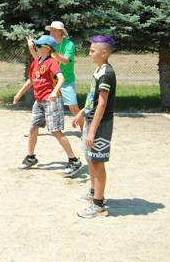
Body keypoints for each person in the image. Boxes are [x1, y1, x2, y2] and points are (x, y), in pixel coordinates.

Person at [13, 35, 82, 178]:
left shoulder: (52, 62)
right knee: (33, 128)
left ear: (47, 49)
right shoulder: (36, 62)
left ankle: (73, 160)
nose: (36, 48)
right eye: (36, 46)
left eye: (38, 46)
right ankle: (31, 157)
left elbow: (61, 79)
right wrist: (19, 93)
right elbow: (31, 80)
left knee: (55, 131)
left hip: (51, 101)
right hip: (39, 101)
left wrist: (55, 92)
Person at [72, 35, 116, 218]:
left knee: (97, 162)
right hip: (91, 120)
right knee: (91, 159)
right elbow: (93, 99)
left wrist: (92, 131)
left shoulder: (107, 73)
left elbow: (102, 104)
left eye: (92, 51)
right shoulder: (99, 70)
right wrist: (81, 113)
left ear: (103, 53)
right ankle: (93, 192)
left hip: (101, 124)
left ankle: (99, 205)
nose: (89, 54)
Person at [27, 21, 82, 130]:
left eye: (55, 30)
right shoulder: (48, 42)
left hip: (65, 80)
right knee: (41, 105)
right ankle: (34, 131)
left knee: (73, 107)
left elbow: (65, 61)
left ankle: (84, 129)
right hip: (50, 82)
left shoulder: (68, 44)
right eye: (51, 30)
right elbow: (39, 60)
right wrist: (31, 48)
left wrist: (52, 50)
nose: (52, 32)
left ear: (61, 32)